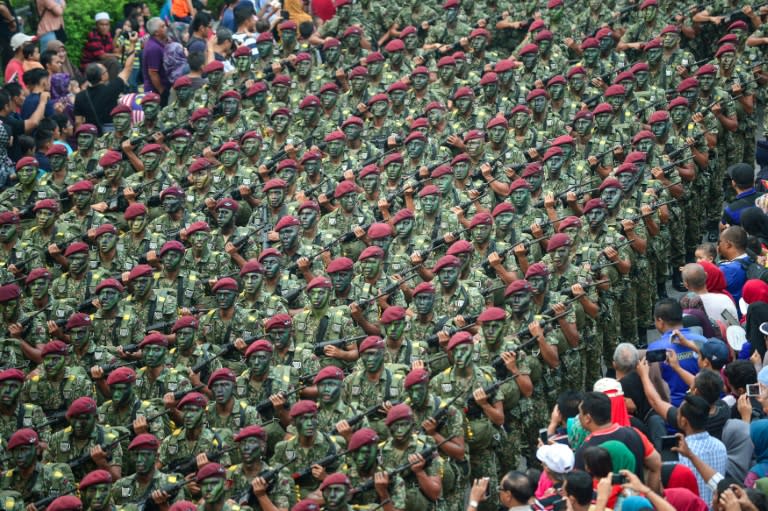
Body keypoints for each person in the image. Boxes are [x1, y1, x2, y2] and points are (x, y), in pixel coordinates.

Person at [73, 34, 137, 133]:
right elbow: (128, 69)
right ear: (102, 76)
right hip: (110, 133)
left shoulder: (80, 96)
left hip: (92, 134)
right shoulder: (111, 89)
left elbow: (78, 122)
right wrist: (132, 44)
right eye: (106, 71)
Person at [81, 13, 120, 80]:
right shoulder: (93, 36)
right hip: (90, 65)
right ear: (96, 25)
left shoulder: (107, 35)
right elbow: (101, 56)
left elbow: (112, 49)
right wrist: (117, 55)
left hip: (100, 62)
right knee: (113, 61)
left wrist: (117, 36)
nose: (104, 27)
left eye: (107, 25)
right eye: (102, 24)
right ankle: (111, 86)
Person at [141, 17, 171, 105]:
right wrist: (162, 92)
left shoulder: (161, 43)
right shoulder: (153, 48)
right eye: (163, 26)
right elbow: (153, 73)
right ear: (156, 32)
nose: (166, 28)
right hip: (155, 93)